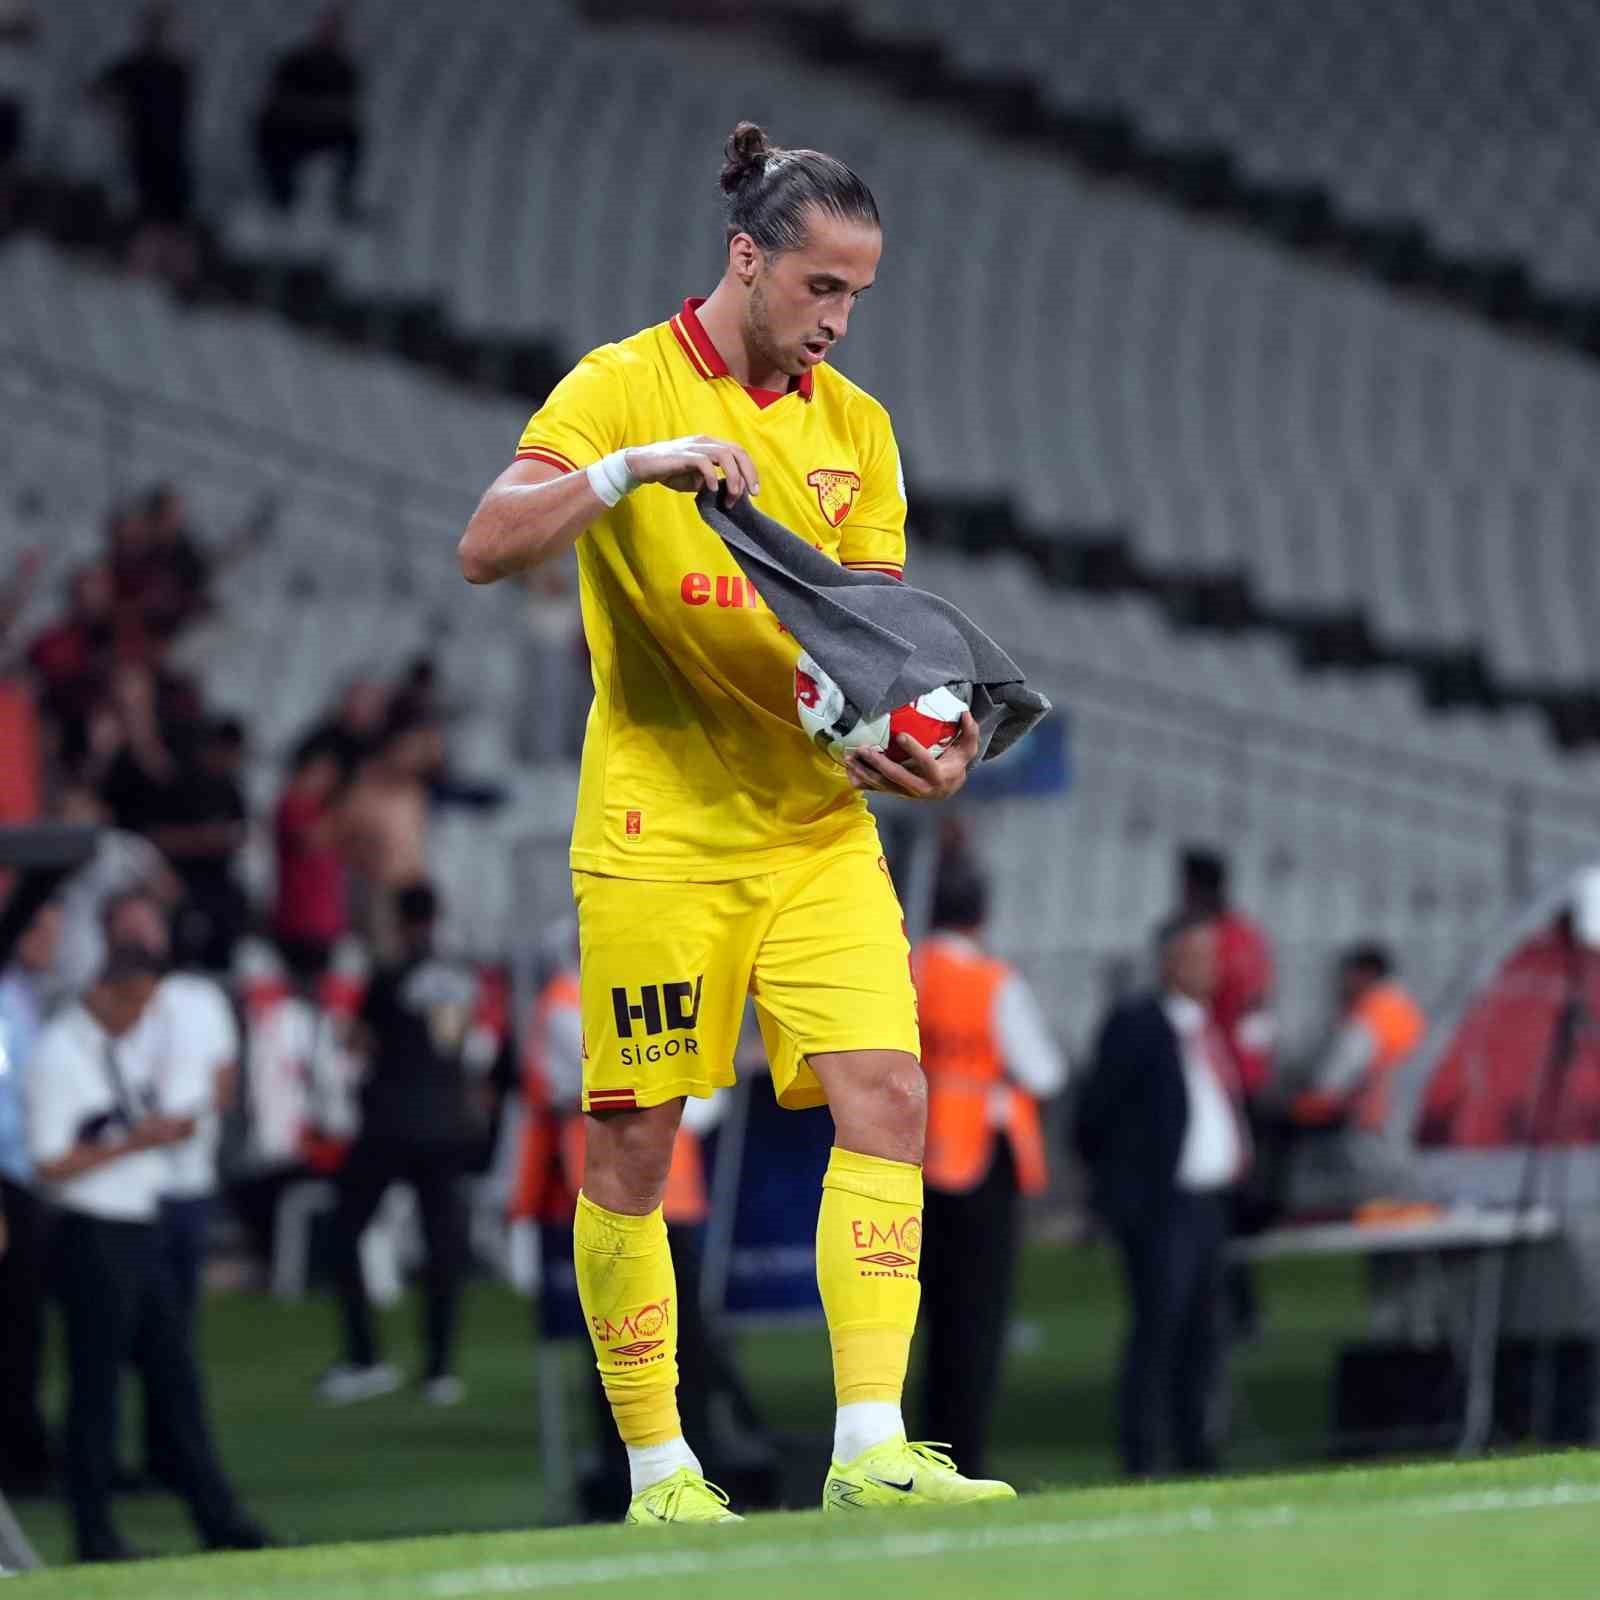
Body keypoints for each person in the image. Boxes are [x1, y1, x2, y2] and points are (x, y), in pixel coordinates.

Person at [457, 119, 1005, 1523]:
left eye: (856, 298)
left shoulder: (856, 432)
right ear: (746, 259)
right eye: (820, 287)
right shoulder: (622, 386)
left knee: (887, 1097)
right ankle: (658, 1471)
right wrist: (629, 473)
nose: (836, 320)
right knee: (637, 1145)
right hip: (660, 832)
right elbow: (486, 544)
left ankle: (872, 1449)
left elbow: (874, 642)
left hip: (816, 829)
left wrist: (919, 742)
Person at [26, 945, 268, 1563]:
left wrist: (156, 1132)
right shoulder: (59, 1055)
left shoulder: (116, 1047)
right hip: (92, 1231)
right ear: (107, 990)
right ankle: (94, 1532)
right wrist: (140, 1140)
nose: (142, 1018)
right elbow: (51, 1161)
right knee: (96, 1387)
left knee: (175, 1378)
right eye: (136, 1003)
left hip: (139, 1224)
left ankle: (218, 1518)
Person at [1074, 914, 1250, 1478]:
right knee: (1159, 1327)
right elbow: (1096, 1112)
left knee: (1205, 1329)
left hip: (1207, 1204)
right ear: (1169, 960)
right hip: (1159, 1206)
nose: (1211, 968)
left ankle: (1195, 1447)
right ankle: (1143, 1454)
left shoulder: (1207, 1027)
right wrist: (1121, 1193)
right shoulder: (1138, 1025)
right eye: (1198, 955)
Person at [910, 860, 1066, 1478]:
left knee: (927, 1319)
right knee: (977, 1322)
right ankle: (964, 1459)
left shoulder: (908, 972)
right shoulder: (993, 982)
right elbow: (1043, 1070)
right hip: (979, 1160)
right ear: (982, 915)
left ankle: (921, 1452)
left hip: (913, 1155)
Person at [318, 882, 483, 1405]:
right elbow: (462, 1042)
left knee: (344, 1232)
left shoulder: (388, 974)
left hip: (391, 1123)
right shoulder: (461, 976)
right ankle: (439, 1370)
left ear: (399, 918)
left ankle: (365, 1357)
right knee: (443, 1250)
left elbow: (358, 1039)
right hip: (448, 1125)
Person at [0, 897, 61, 1496]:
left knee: (25, 1322)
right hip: (9, 1178)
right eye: (44, 928)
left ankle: (25, 1444)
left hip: (27, 1177)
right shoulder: (4, 1000)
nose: (53, 942)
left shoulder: (24, 995)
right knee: (14, 1323)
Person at [89, 4, 196, 284]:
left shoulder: (177, 69)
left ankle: (174, 273)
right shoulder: (135, 66)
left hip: (172, 150)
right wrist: (116, 115)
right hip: (144, 149)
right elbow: (97, 90)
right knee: (150, 214)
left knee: (173, 215)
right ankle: (147, 270)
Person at [255, 4, 364, 219]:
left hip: (324, 129)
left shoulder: (345, 68)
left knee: (354, 137)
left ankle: (342, 198)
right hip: (292, 128)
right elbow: (278, 99)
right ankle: (280, 198)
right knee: (268, 131)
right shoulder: (294, 62)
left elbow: (346, 108)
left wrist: (317, 110)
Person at [272, 732, 350, 986]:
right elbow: (309, 839)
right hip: (299, 918)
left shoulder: (324, 809)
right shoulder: (292, 805)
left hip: (326, 919)